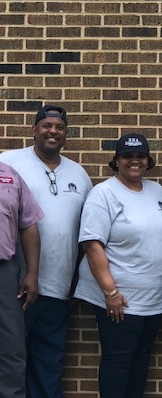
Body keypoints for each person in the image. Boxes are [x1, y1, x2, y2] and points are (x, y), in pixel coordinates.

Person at [1, 105, 93, 398]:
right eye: (46, 125)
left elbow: (86, 234)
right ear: (34, 129)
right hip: (15, 286)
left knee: (48, 364)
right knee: (10, 361)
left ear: (66, 133)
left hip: (58, 288)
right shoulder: (9, 163)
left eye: (59, 127)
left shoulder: (79, 174)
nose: (53, 131)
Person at [74, 133, 162, 398]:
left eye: (140, 156)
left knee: (140, 363)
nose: (134, 161)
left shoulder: (155, 191)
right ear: (116, 161)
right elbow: (92, 245)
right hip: (120, 300)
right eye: (127, 156)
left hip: (152, 299)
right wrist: (110, 293)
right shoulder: (103, 193)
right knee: (118, 363)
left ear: (148, 160)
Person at [0, 160, 43, 398]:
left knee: (11, 347)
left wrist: (32, 273)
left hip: (4, 272)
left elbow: (28, 224)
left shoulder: (9, 174)